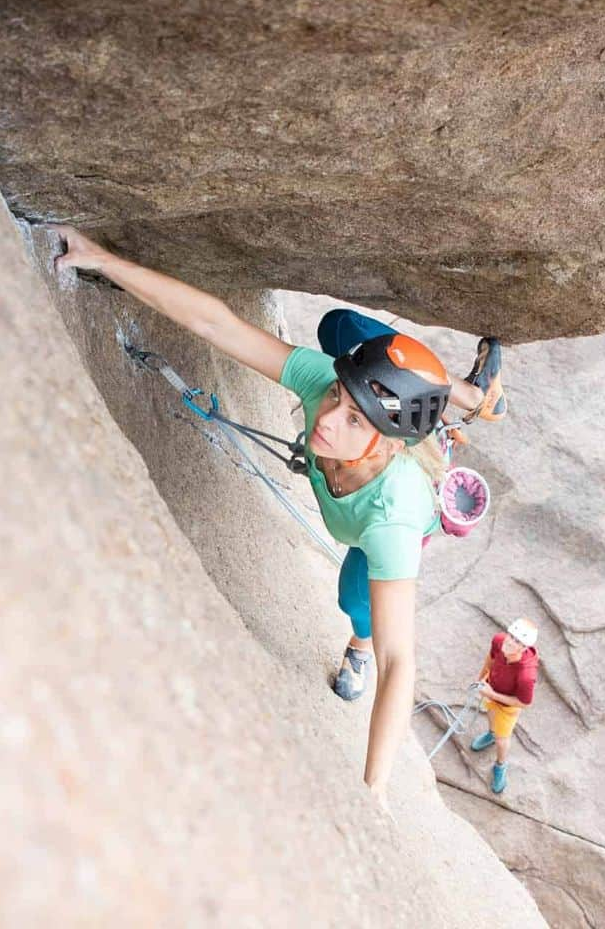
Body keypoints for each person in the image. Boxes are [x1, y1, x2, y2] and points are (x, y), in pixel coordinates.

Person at [48, 225, 505, 813]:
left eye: (356, 421)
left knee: (355, 599)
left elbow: (401, 662)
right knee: (339, 328)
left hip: (376, 524)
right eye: (340, 396)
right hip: (393, 439)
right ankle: (469, 397)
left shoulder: (391, 522)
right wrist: (103, 259)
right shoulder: (325, 387)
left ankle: (352, 647)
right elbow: (218, 325)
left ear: (391, 446)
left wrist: (375, 788)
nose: (330, 419)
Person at [471, 618, 539, 795]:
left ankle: (500, 766)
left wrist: (491, 694)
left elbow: (523, 703)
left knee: (503, 740)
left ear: (524, 648)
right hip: (490, 689)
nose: (510, 641)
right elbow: (491, 657)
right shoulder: (499, 641)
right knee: (491, 717)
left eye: (517, 641)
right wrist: (480, 679)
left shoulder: (526, 675)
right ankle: (491, 734)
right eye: (511, 636)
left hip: (507, 705)